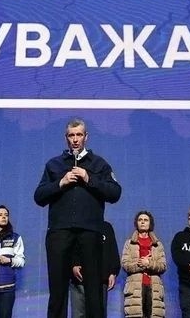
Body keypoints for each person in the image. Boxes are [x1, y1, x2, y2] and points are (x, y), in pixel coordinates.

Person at [34, 117, 122, 318]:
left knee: (94, 291)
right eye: (71, 135)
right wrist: (60, 183)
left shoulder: (99, 164)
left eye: (79, 135)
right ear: (66, 138)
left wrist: (89, 178)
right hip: (59, 232)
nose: (75, 139)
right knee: (57, 291)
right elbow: (39, 196)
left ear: (86, 137)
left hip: (90, 232)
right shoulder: (54, 164)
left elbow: (115, 192)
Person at [120, 211, 166, 318]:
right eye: (140, 220)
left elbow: (163, 266)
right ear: (136, 223)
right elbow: (125, 264)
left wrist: (149, 263)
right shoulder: (129, 243)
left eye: (146, 220)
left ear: (150, 223)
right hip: (135, 288)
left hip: (154, 287)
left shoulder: (157, 244)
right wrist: (140, 264)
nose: (143, 222)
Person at [70, 220, 120, 318]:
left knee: (99, 313)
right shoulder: (76, 224)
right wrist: (73, 264)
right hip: (80, 278)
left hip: (100, 279)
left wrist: (112, 272)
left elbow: (112, 248)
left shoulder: (106, 227)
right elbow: (70, 247)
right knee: (78, 314)